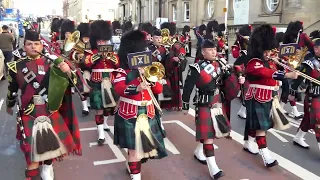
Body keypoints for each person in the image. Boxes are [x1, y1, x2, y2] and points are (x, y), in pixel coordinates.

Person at [6, 29, 82, 180]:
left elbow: (74, 84)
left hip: (49, 110)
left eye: (36, 43)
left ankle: (47, 168)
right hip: (29, 112)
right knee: (32, 155)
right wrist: (10, 103)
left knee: (50, 148)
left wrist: (68, 71)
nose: (33, 47)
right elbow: (12, 89)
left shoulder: (53, 62)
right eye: (29, 44)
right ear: (24, 45)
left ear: (41, 46)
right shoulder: (15, 67)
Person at [182, 39, 243, 179]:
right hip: (203, 104)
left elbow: (226, 82)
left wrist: (237, 78)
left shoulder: (220, 64)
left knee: (211, 134)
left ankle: (199, 152)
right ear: (203, 52)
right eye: (210, 50)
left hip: (217, 103)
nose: (214, 52)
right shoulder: (196, 68)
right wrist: (185, 105)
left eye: (214, 49)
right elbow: (187, 87)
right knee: (209, 137)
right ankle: (213, 168)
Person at [112, 30, 167, 180]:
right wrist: (136, 84)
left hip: (147, 111)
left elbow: (159, 89)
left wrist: (150, 78)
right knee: (134, 151)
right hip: (129, 113)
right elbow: (118, 88)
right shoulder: (122, 71)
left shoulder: (148, 69)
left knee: (141, 150)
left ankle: (132, 166)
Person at [245, 24, 298, 167]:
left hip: (268, 96)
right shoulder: (253, 63)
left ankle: (248, 142)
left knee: (257, 124)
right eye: (266, 50)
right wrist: (287, 74)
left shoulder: (269, 62)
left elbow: (275, 69)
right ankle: (266, 156)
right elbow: (266, 73)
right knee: (262, 127)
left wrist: (288, 65)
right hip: (257, 96)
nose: (269, 53)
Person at [83, 20, 119, 145]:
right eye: (99, 41)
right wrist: (98, 55)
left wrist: (109, 57)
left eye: (104, 41)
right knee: (98, 108)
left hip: (110, 80)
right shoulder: (91, 51)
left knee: (108, 107)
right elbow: (87, 62)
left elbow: (118, 64)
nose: (102, 43)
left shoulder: (112, 51)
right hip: (97, 80)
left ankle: (105, 122)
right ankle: (101, 133)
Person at [290, 38, 320, 150]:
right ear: (316, 49)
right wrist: (292, 92)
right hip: (314, 96)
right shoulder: (309, 63)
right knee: (318, 120)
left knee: (308, 119)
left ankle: (298, 137)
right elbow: (298, 79)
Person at [69, 22, 91, 116]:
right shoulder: (77, 44)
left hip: (90, 68)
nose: (86, 39)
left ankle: (88, 102)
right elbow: (71, 55)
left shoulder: (92, 43)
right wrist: (79, 56)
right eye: (85, 37)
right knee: (82, 89)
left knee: (90, 88)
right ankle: (85, 107)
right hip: (80, 68)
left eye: (87, 37)